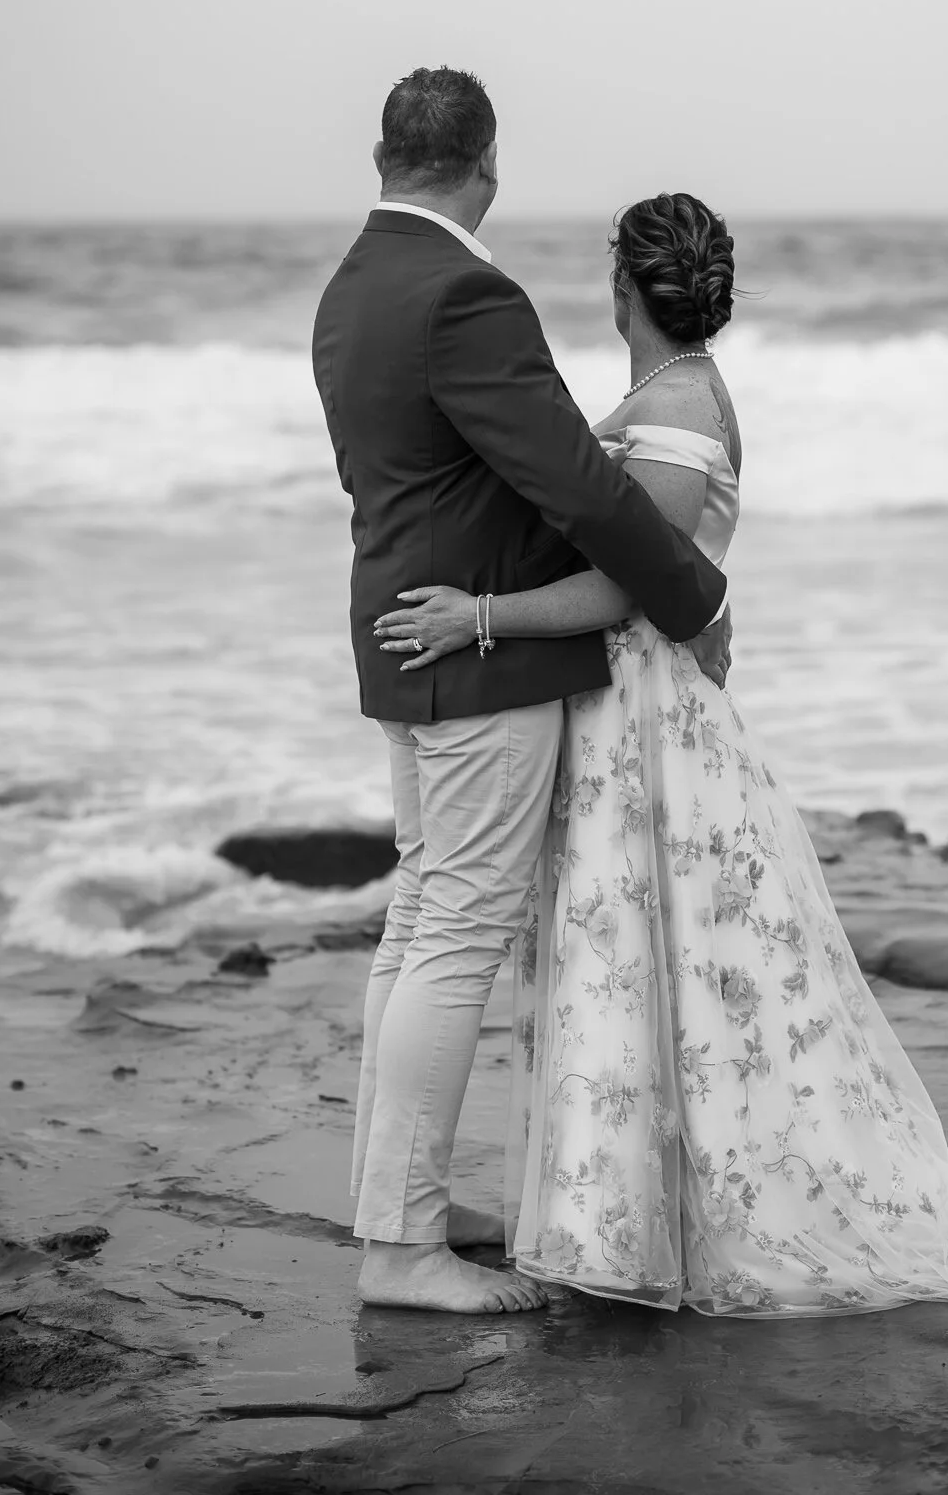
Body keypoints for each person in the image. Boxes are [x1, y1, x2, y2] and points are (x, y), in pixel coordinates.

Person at [375, 190, 948, 1317]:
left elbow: (630, 583)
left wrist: (478, 617)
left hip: (646, 726)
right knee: (645, 966)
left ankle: (662, 1216)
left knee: (665, 965)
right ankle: (617, 1203)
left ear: (623, 285)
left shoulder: (678, 409)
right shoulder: (670, 393)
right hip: (623, 717)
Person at [312, 70, 728, 1315]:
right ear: (485, 163)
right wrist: (694, 598)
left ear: (384, 153)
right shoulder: (464, 290)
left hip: (401, 632)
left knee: (418, 921)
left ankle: (396, 1205)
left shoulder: (352, 283)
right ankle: (399, 1245)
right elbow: (578, 488)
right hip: (475, 660)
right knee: (454, 936)